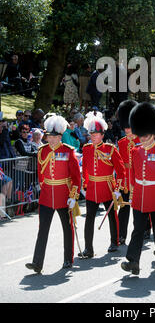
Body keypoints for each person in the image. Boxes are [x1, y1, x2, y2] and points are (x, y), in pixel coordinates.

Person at [121, 102, 155, 275]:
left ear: (152, 133)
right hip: (139, 196)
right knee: (138, 229)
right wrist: (131, 192)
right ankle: (133, 261)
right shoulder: (135, 151)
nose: (142, 138)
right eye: (141, 135)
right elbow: (132, 173)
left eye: (145, 135)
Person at [25, 115, 81, 273]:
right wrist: (44, 188)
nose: (51, 140)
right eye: (49, 136)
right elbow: (40, 174)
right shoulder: (42, 151)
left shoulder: (68, 151)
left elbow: (76, 177)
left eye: (54, 137)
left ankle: (68, 260)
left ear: (60, 136)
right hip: (47, 195)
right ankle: (37, 263)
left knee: (67, 228)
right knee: (42, 229)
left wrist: (73, 197)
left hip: (64, 194)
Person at [80, 112, 125, 257]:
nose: (93, 136)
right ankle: (88, 249)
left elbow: (121, 171)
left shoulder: (110, 149)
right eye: (91, 133)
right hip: (93, 187)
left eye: (96, 134)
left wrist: (118, 189)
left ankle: (114, 241)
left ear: (102, 135)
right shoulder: (86, 149)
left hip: (107, 186)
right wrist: (85, 184)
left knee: (112, 215)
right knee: (89, 218)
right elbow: (85, 168)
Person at [117, 100, 140, 245]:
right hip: (126, 179)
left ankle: (144, 229)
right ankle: (121, 235)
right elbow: (120, 164)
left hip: (138, 178)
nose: (127, 132)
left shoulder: (141, 140)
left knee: (140, 209)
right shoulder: (121, 142)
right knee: (124, 208)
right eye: (126, 130)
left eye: (129, 129)